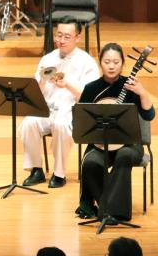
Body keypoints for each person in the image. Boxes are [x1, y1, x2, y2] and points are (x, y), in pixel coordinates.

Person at [76, 42, 155, 221]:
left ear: (123, 63)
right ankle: (109, 209)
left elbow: (149, 115)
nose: (111, 66)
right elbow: (81, 120)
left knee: (124, 156)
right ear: (100, 63)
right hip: (100, 143)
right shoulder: (91, 89)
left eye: (116, 62)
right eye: (107, 62)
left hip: (129, 143)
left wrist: (142, 93)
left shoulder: (132, 86)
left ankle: (114, 211)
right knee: (90, 162)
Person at [19, 19, 99, 188]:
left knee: (60, 125)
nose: (61, 40)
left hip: (70, 111)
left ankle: (59, 174)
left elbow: (89, 97)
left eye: (67, 37)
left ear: (77, 38)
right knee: (28, 123)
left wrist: (67, 85)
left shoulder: (88, 63)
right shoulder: (47, 58)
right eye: (59, 35)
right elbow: (35, 93)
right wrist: (41, 81)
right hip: (47, 108)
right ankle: (36, 170)